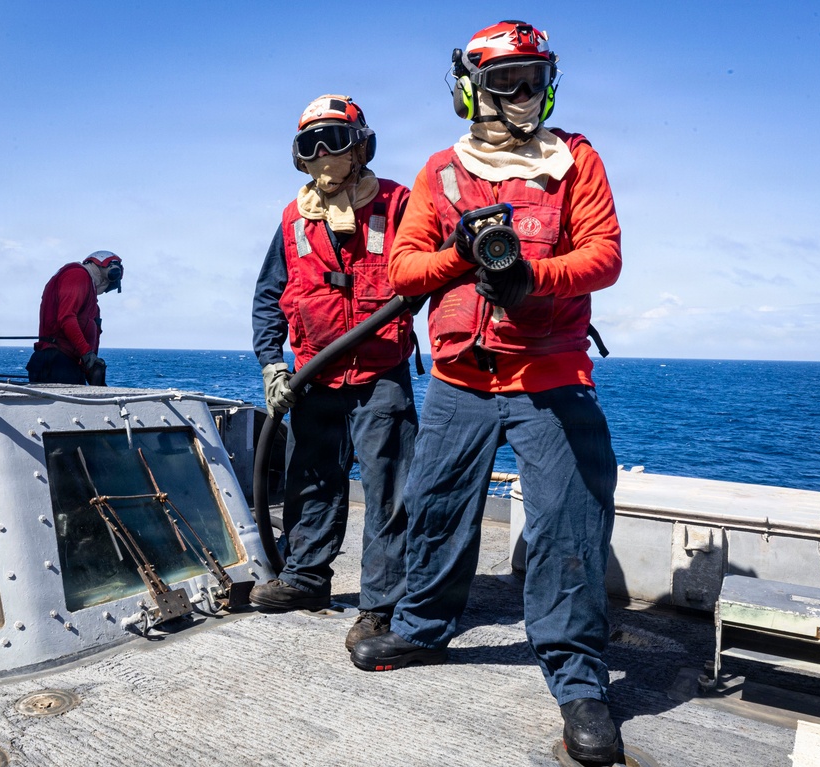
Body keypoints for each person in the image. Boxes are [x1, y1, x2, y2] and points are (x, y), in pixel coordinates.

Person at [349, 21, 623, 765]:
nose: (522, 94)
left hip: (550, 373)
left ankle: (578, 679)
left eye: (532, 78)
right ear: (472, 88)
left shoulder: (576, 159)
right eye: (504, 80)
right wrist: (458, 255)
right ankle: (422, 625)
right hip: (459, 379)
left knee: (568, 521)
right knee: (434, 503)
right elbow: (403, 271)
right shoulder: (441, 171)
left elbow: (602, 255)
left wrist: (533, 277)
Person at [250, 94, 418, 652]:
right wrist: (273, 362)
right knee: (310, 479)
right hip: (314, 377)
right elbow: (270, 295)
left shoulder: (398, 203)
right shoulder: (293, 218)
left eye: (335, 141)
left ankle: (381, 605)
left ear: (361, 146)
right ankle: (305, 578)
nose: (323, 154)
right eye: (310, 144)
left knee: (388, 490)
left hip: (381, 374)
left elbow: (438, 274)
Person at [26, 251, 123, 385]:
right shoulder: (78, 275)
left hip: (68, 363)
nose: (105, 288)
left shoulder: (88, 295)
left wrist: (90, 366)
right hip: (58, 362)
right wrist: (87, 355)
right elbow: (66, 318)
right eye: (107, 284)